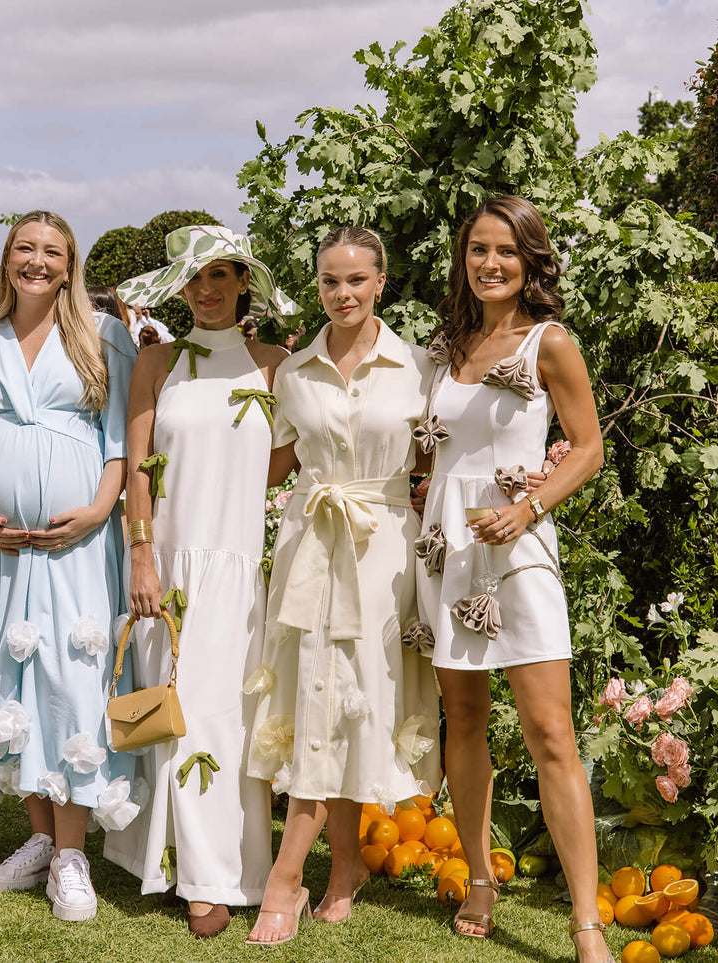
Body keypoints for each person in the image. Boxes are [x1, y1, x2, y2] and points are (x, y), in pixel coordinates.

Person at [0, 210, 139, 922]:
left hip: (79, 542)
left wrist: (99, 509)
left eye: (52, 252)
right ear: (7, 259)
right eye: (24, 249)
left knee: (72, 674)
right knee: (13, 675)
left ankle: (73, 855)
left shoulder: (105, 336)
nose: (37, 262)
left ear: (70, 267)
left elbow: (120, 439)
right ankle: (41, 838)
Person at [414, 195, 607, 961]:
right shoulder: (445, 344)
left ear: (529, 261)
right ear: (462, 259)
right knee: (462, 720)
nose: (489, 263)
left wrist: (527, 507)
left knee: (550, 732)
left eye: (504, 250)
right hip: (447, 547)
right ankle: (479, 877)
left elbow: (587, 448)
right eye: (477, 249)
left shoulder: (547, 343)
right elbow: (431, 446)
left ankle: (586, 921)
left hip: (518, 547)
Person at [245, 225, 442, 945]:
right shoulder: (293, 371)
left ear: (381, 282)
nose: (343, 293)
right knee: (314, 692)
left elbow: (440, 458)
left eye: (357, 279)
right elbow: (268, 465)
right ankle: (308, 872)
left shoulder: (420, 366)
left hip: (383, 547)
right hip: (309, 542)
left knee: (360, 697)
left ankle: (324, 871)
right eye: (330, 280)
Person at [104, 226, 297, 938]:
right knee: (172, 709)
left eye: (220, 274)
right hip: (170, 565)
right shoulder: (157, 361)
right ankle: (170, 864)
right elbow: (138, 464)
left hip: (239, 566)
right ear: (178, 289)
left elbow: (281, 464)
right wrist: (142, 554)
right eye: (194, 278)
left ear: (244, 282)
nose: (206, 289)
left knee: (223, 717)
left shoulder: (275, 364)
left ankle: (215, 874)